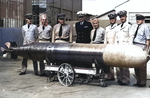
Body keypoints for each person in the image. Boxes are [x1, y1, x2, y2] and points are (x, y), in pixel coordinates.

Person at [115, 10, 134, 85]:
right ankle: (119, 78)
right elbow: (116, 37)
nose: (122, 18)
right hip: (118, 47)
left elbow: (131, 37)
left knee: (125, 65)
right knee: (118, 64)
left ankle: (126, 79)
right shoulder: (118, 26)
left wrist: (129, 47)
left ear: (126, 16)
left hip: (125, 47)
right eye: (120, 17)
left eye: (123, 16)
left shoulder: (129, 26)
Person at [133, 14, 150, 87]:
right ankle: (138, 81)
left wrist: (146, 49)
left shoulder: (145, 27)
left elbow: (148, 38)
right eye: (137, 19)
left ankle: (143, 82)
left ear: (143, 20)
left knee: (142, 66)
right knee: (135, 64)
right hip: (135, 46)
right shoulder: (137, 26)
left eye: (139, 19)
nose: (137, 21)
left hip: (141, 46)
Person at [104, 13, 118, 80]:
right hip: (108, 46)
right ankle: (110, 76)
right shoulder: (107, 27)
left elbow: (118, 37)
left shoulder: (118, 27)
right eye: (111, 19)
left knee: (117, 62)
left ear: (115, 19)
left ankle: (120, 78)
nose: (112, 20)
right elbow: (105, 38)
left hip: (115, 46)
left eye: (113, 19)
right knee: (109, 62)